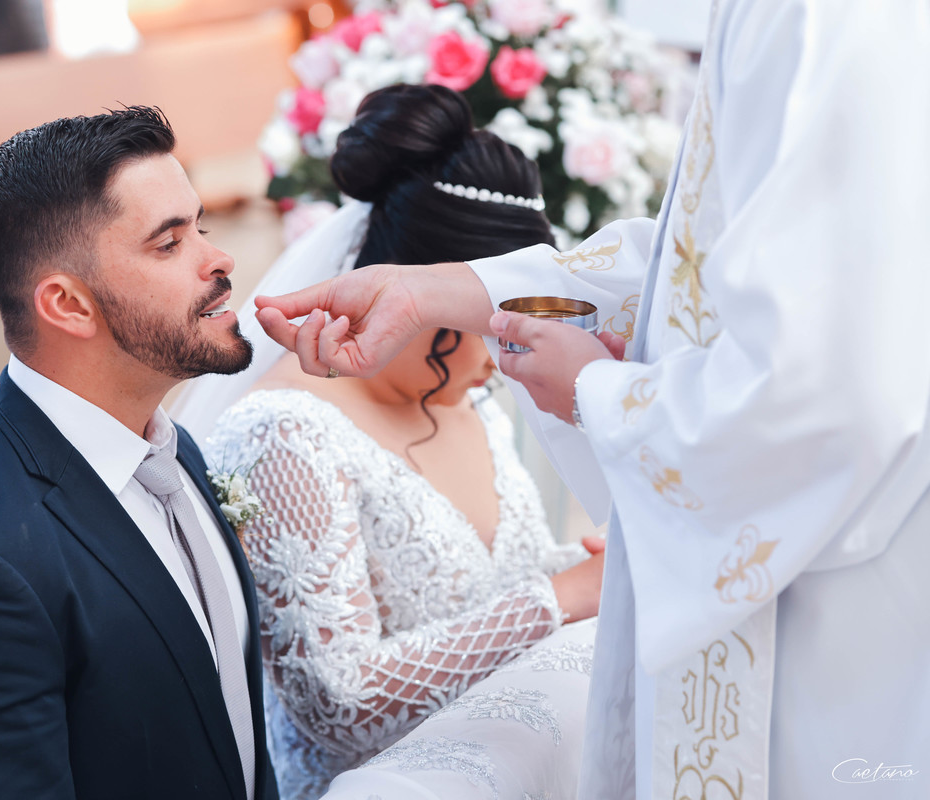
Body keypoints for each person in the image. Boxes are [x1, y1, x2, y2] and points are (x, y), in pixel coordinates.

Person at [253, 2, 930, 798]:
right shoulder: (289, 427)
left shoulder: (820, 17)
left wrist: (602, 395)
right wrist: (436, 291)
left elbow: (833, 378)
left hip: (839, 607)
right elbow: (691, 270)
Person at [174, 84, 604, 800]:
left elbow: (490, 588)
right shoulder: (284, 433)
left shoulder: (469, 401)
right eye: (498, 322)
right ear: (431, 295)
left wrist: (586, 567)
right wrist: (563, 596)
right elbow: (337, 702)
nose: (510, 355)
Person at [0, 107, 279, 800]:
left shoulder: (171, 453)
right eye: (169, 243)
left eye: (200, 227)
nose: (219, 259)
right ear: (68, 304)